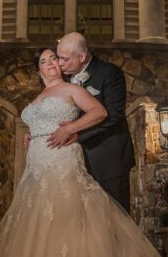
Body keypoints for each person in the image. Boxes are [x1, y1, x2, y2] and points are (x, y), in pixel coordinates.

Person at [0, 47, 168, 257]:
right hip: (36, 163)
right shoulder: (37, 97)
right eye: (44, 61)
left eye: (54, 60)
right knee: (38, 218)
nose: (50, 64)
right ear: (38, 69)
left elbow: (100, 112)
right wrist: (31, 134)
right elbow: (38, 121)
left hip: (61, 156)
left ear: (61, 66)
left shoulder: (72, 89)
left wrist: (71, 128)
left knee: (66, 214)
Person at [45, 32, 135, 212]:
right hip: (73, 161)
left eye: (64, 59)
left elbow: (113, 115)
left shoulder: (109, 73)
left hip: (107, 158)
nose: (59, 64)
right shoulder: (63, 78)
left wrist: (78, 134)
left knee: (114, 215)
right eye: (58, 58)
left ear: (83, 56)